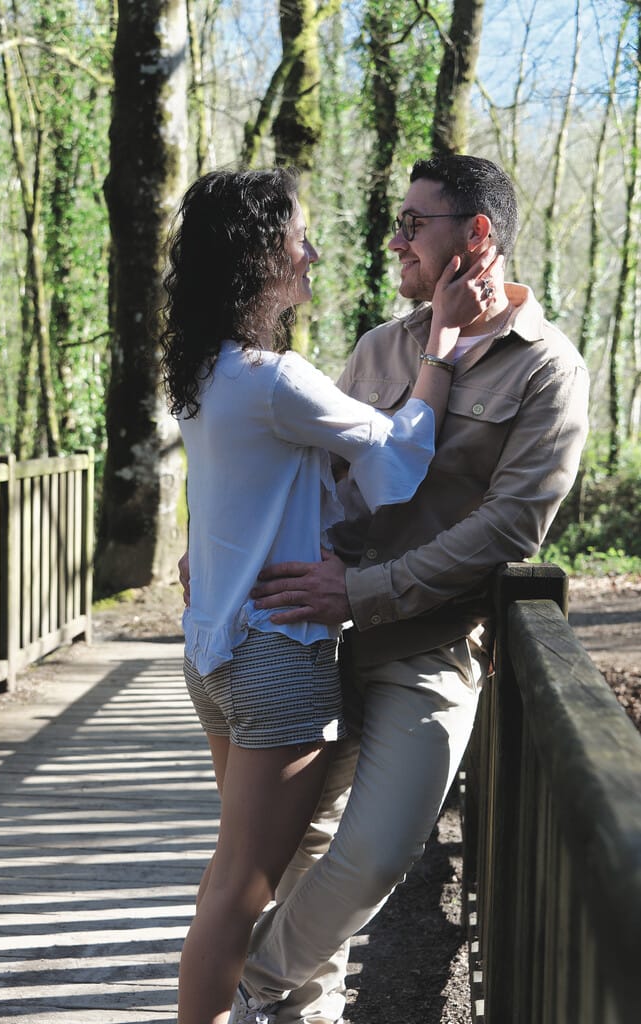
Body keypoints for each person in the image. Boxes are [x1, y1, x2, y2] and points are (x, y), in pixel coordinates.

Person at [215, 154, 590, 1024]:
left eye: (414, 224)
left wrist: (367, 590)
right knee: (296, 848)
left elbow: (509, 528)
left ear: (477, 236)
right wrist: (232, 549)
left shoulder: (548, 371)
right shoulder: (384, 345)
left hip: (428, 646)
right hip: (310, 635)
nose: (395, 242)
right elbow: (324, 485)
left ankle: (247, 980)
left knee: (376, 855)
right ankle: (294, 1012)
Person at [159, 166, 498, 1024]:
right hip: (276, 655)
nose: (311, 253)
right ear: (257, 260)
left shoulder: (204, 372)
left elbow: (229, 493)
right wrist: (439, 351)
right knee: (244, 886)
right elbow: (396, 460)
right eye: (296, 240)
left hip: (210, 654)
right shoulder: (275, 378)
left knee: (228, 871)